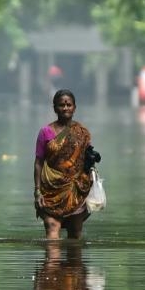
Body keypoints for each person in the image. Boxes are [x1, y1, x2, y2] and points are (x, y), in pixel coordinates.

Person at [34, 89, 94, 239]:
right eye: (61, 105)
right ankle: (52, 255)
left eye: (69, 105)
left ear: (74, 107)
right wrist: (37, 191)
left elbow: (85, 162)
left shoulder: (82, 133)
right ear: (55, 108)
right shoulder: (45, 132)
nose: (65, 108)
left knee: (75, 233)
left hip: (75, 190)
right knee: (52, 227)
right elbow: (38, 162)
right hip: (50, 192)